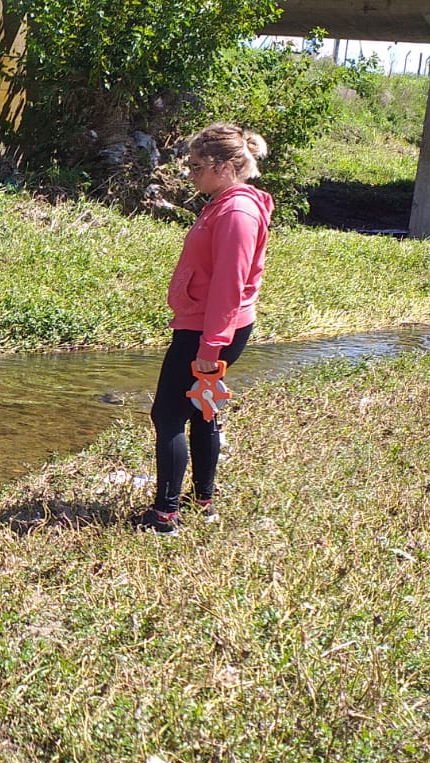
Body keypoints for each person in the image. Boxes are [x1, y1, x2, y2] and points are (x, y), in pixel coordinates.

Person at [133, 124, 273, 534]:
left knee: (169, 414)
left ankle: (165, 516)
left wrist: (210, 348)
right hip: (207, 327)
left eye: (196, 166)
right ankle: (203, 500)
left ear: (225, 165)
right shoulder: (221, 203)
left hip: (208, 331)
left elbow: (229, 288)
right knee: (201, 408)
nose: (189, 173)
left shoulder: (236, 213)